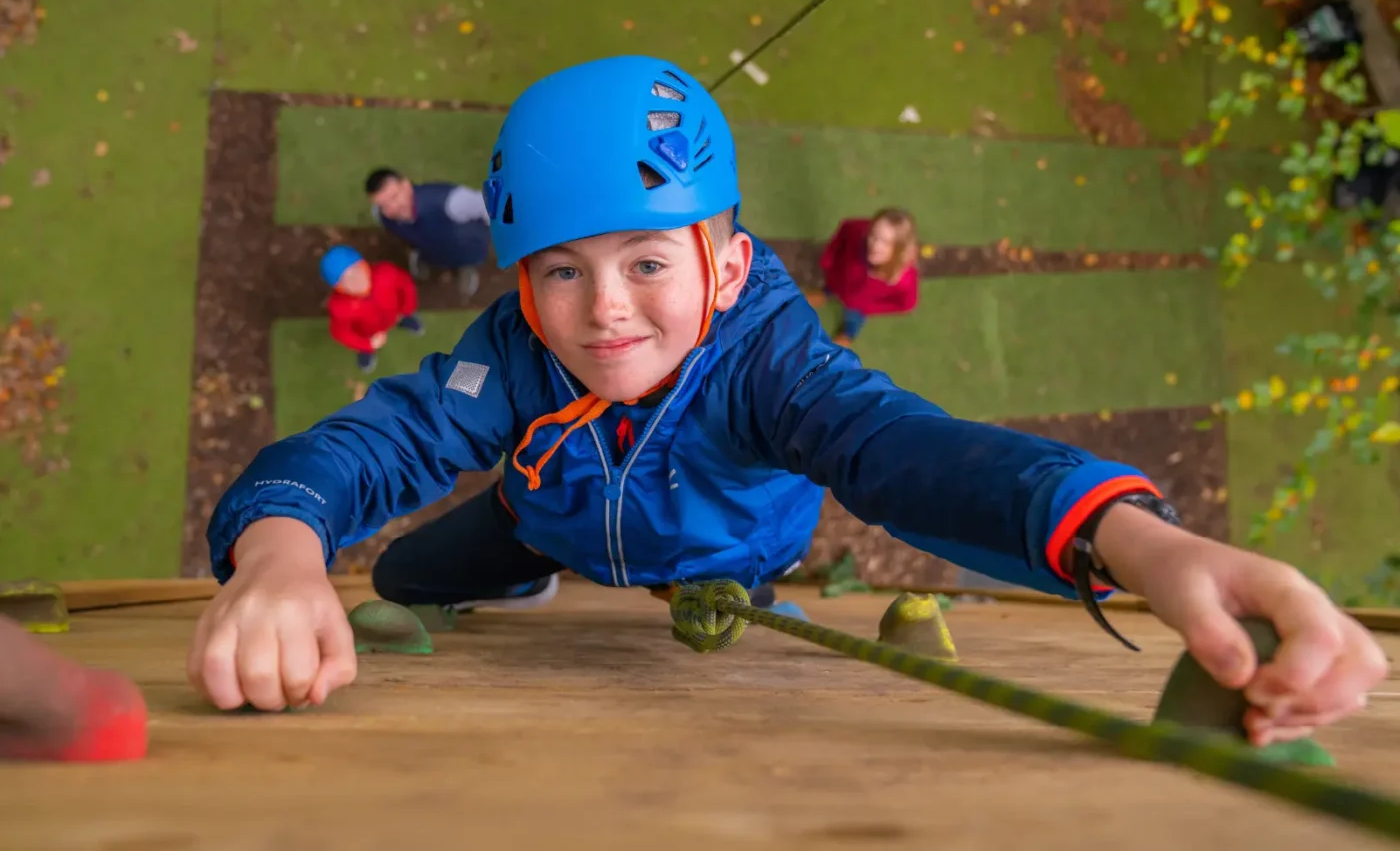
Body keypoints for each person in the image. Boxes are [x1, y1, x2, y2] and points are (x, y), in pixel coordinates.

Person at [190, 56, 1387, 744]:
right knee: (403, 575)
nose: (602, 311)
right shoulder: (510, 353)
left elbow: (901, 451)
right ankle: (530, 567)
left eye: (646, 262)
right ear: (520, 279)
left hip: (721, 549)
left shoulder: (772, 365)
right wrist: (285, 545)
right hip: (541, 513)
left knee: (709, 638)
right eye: (562, 269)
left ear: (722, 261)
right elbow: (382, 438)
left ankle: (629, 572)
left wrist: (1135, 539)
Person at [365, 168, 491, 297]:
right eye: (384, 205)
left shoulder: (451, 201)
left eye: (395, 196)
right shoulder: (381, 215)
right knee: (429, 253)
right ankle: (426, 260)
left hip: (466, 244)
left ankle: (465, 267)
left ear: (406, 185)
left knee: (466, 256)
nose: (393, 208)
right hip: (429, 247)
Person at [809, 208, 920, 347]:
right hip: (838, 280)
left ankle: (844, 337)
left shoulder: (905, 279)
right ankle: (824, 294)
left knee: (852, 321)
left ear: (898, 248)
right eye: (873, 234)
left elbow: (907, 305)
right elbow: (845, 229)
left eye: (885, 242)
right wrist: (828, 259)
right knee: (828, 289)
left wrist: (869, 307)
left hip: (858, 306)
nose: (874, 245)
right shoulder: (858, 230)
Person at [321, 245, 426, 375]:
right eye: (346, 280)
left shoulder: (386, 273)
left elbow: (406, 285)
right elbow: (341, 333)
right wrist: (367, 344)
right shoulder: (339, 307)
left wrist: (407, 309)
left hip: (395, 314)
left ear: (364, 264)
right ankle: (366, 352)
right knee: (366, 346)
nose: (357, 280)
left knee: (405, 316)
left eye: (357, 270)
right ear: (339, 288)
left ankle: (406, 319)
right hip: (367, 333)